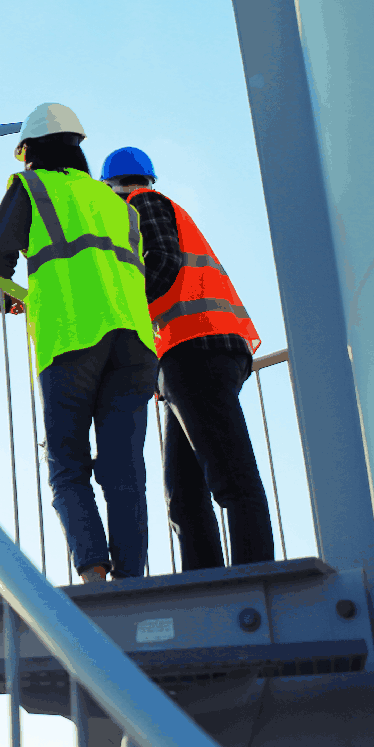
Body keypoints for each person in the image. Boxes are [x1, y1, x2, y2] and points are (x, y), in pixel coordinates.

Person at [0, 103, 156, 584]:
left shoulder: (32, 186)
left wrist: (6, 294)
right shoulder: (116, 205)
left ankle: (94, 574)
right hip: (135, 344)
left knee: (68, 464)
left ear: (30, 150)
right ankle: (131, 579)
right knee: (125, 469)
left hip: (72, 337)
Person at [98, 145, 273, 571]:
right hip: (193, 353)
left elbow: (162, 263)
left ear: (110, 187)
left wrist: (121, 314)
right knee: (184, 494)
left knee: (230, 479)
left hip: (196, 348)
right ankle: (207, 581)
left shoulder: (142, 204)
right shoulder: (154, 207)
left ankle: (255, 576)